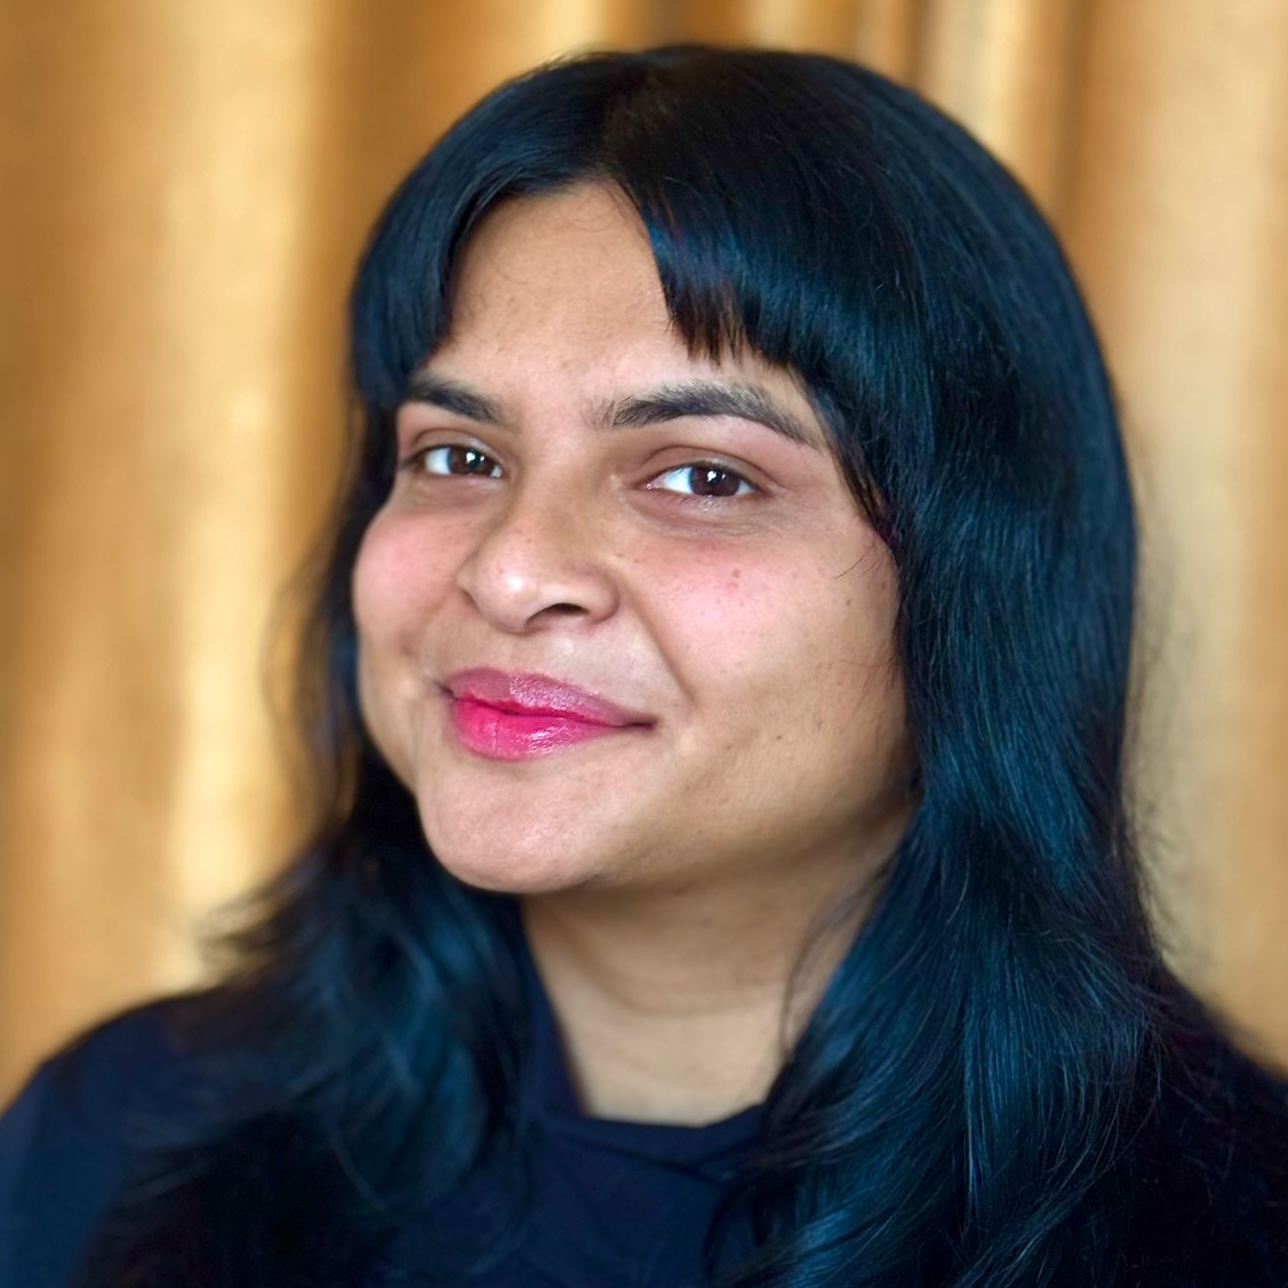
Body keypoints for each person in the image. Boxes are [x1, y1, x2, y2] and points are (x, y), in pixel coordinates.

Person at [2, 43, 1285, 1288]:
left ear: (980, 589)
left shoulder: (1239, 1225)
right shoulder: (116, 1139)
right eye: (456, 455)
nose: (508, 570)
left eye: (702, 476)